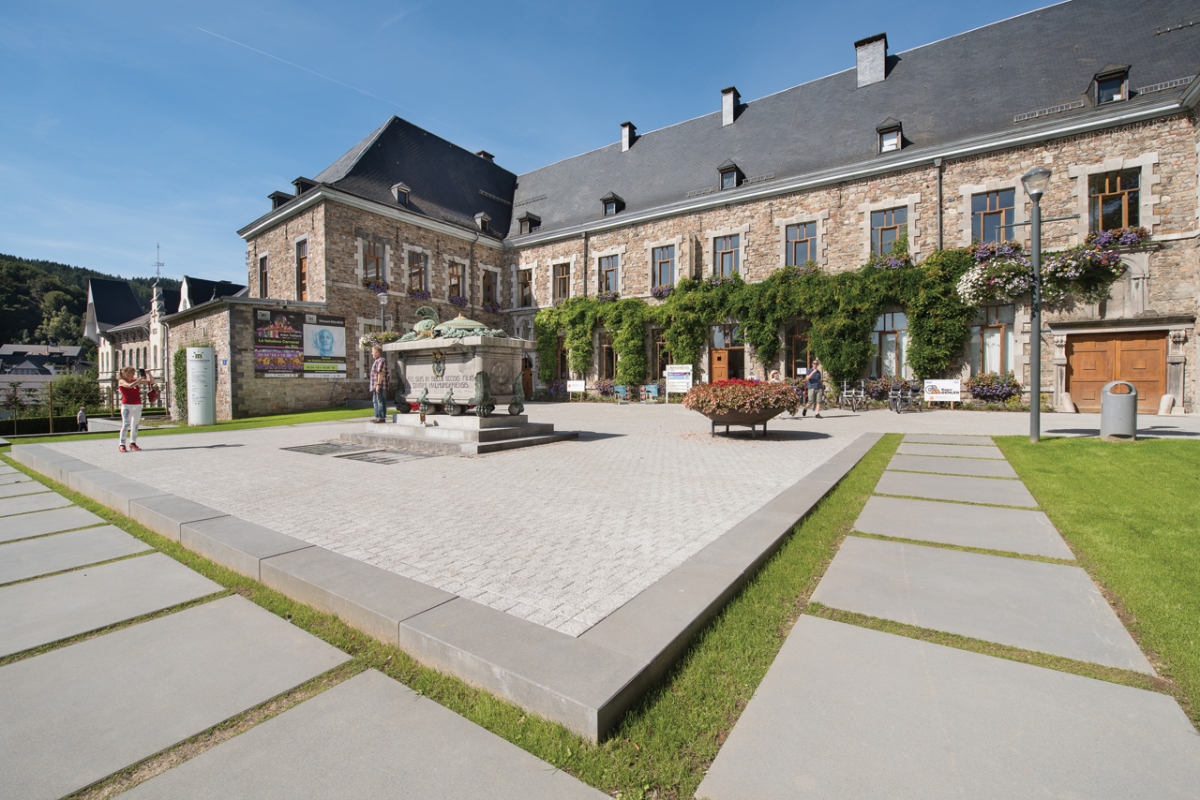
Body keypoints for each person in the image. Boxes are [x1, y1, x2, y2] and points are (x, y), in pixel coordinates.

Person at [117, 366, 150, 452]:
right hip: (127, 405)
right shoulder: (122, 381)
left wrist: (149, 374)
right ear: (125, 373)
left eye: (134, 373)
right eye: (131, 372)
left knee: (135, 425)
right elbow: (130, 386)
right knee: (126, 425)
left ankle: (133, 443)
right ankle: (122, 444)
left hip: (137, 405)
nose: (133, 374)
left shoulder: (135, 380)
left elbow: (151, 382)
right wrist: (140, 379)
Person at [369, 345, 389, 423]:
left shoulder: (381, 360)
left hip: (380, 385)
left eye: (373, 352)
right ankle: (377, 416)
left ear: (377, 352)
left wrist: (378, 384)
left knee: (380, 400)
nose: (372, 353)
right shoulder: (377, 361)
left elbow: (380, 373)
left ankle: (381, 417)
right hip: (375, 385)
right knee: (375, 401)